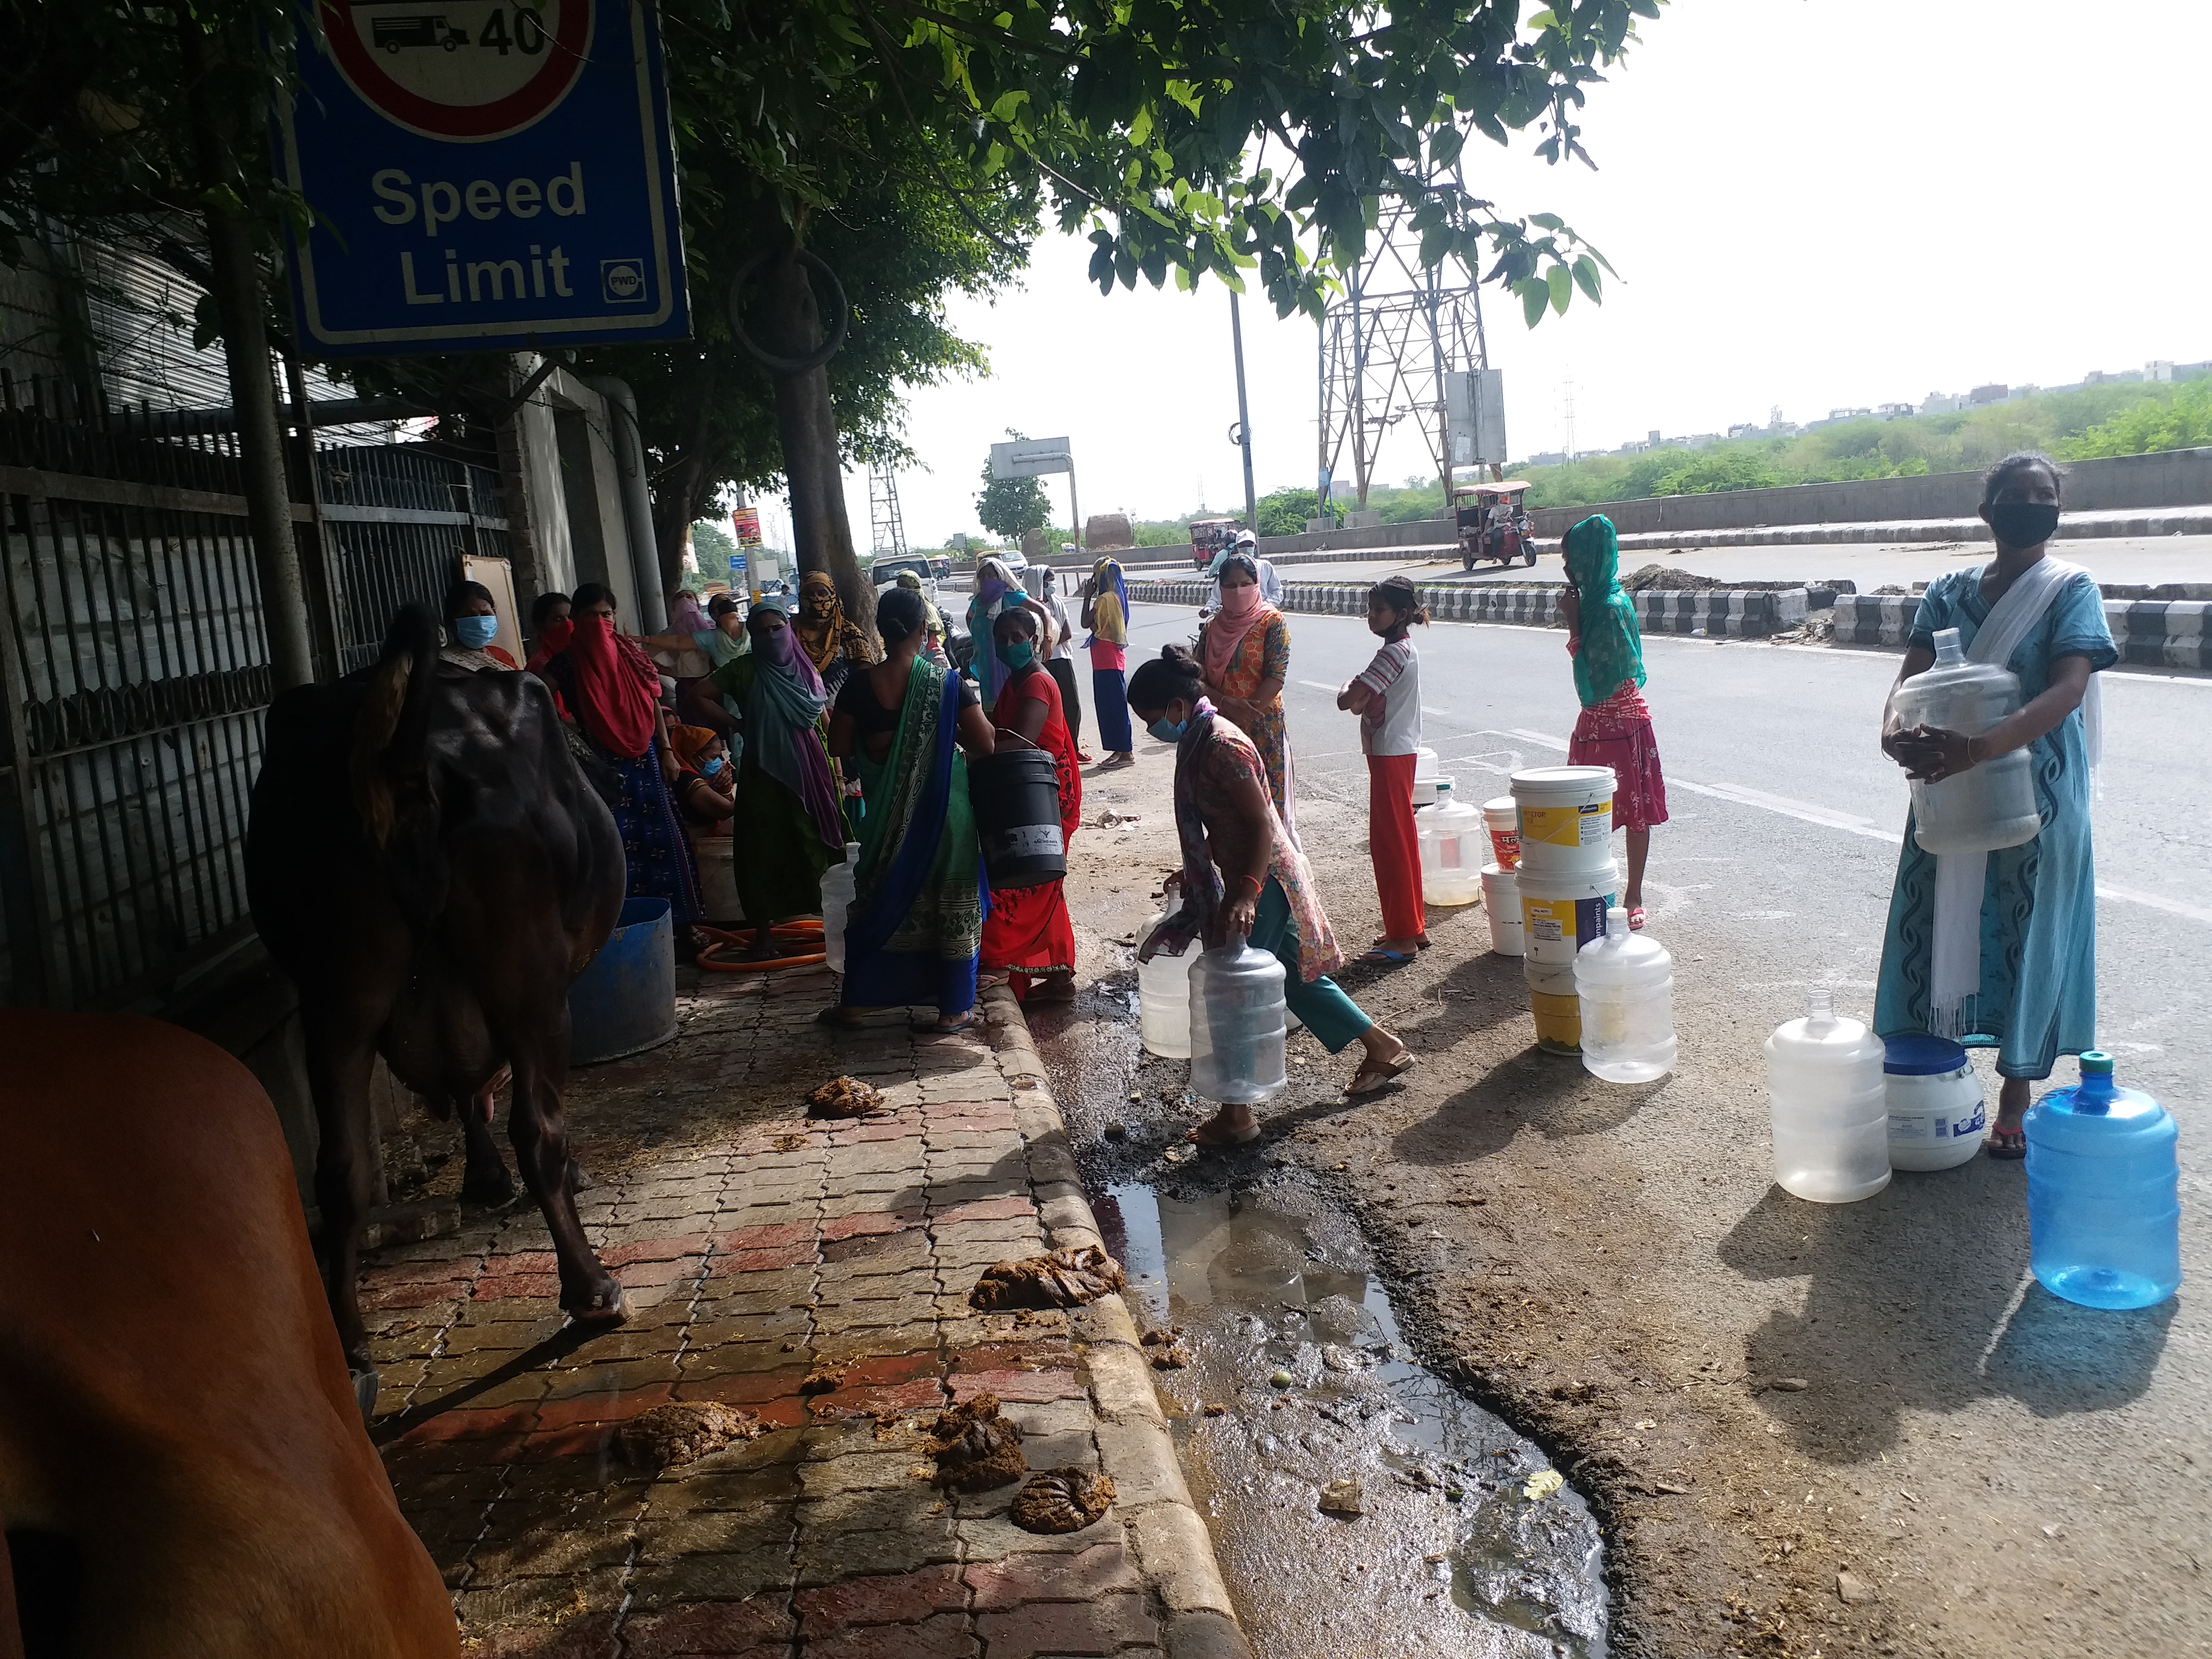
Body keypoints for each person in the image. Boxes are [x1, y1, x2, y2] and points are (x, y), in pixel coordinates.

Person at [1874, 452, 2114, 1159]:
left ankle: (2016, 1090)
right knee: (1935, 915)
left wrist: (1980, 749)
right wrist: (1892, 734)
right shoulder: (1947, 590)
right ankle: (1933, 1076)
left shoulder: (2071, 589)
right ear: (1989, 511)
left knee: (2028, 928)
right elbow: (1908, 681)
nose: (2032, 504)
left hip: (2036, 789)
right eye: (2018, 495)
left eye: (2045, 495)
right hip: (1948, 784)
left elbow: (2068, 688)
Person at [1131, 645, 1413, 1139]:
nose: (1149, 728)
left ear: (1177, 704)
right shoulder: (1196, 738)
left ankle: (1236, 1116)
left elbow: (1263, 824)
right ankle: (1383, 1047)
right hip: (1252, 877)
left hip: (1264, 879)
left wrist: (1244, 894)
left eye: (1151, 717)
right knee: (1297, 980)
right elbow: (1215, 820)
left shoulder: (1221, 745)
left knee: (1232, 992)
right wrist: (1192, 869)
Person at [825, 586, 998, 1032]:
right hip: (946, 815)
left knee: (881, 896)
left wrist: (883, 742)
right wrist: (937, 739)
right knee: (950, 902)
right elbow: (985, 743)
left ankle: (861, 1001)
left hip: (885, 819)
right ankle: (953, 1008)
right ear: (924, 631)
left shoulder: (859, 685)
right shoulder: (945, 683)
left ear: (880, 631)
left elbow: (839, 745)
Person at [532, 582, 703, 930]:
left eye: (606, 615)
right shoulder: (566, 662)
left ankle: (684, 926)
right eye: (591, 615)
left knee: (665, 840)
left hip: (649, 761)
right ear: (577, 620)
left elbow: (652, 701)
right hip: (599, 768)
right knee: (615, 847)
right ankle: (624, 928)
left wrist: (668, 751)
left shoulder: (629, 653)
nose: (599, 622)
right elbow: (536, 698)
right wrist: (567, 734)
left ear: (614, 616)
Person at [699, 602, 848, 955]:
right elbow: (699, 695)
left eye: (776, 627)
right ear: (752, 634)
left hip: (812, 770)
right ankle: (765, 937)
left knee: (822, 843)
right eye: (762, 630)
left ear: (788, 628)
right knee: (762, 850)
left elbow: (822, 717)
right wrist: (736, 725)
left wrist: (839, 768)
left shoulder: (805, 667)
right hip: (764, 773)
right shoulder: (744, 669)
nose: (771, 635)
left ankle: (838, 930)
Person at [1558, 515, 1668, 927]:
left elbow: (1592, 686)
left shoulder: (1603, 608)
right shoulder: (1605, 597)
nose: (1569, 569)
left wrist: (1572, 624)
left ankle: (1627, 893)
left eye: (1573, 560)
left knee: (1605, 814)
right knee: (1609, 814)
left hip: (1614, 724)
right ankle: (1615, 891)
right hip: (1614, 722)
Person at [979, 605, 1082, 1002]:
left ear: (1035, 641)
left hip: (1048, 793)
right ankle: (1058, 976)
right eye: (1001, 639)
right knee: (1044, 882)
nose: (1008, 645)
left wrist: (970, 747)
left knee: (1030, 881)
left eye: (1017, 638)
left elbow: (1019, 738)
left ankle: (1009, 960)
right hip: (1027, 789)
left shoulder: (1037, 682)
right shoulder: (1015, 681)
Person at [1335, 576, 1428, 963]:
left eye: (1379, 610)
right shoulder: (1403, 649)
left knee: (1389, 844)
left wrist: (1348, 685)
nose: (1371, 616)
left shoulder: (1391, 655)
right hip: (1398, 751)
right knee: (1401, 840)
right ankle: (1410, 927)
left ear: (1401, 615)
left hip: (1390, 753)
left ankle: (1403, 937)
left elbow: (1350, 701)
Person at [1198, 551, 1296, 842]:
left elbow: (1276, 676)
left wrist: (1247, 713)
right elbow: (1199, 678)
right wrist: (1227, 707)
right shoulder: (1212, 629)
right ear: (1220, 588)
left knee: (1268, 813)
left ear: (1257, 584)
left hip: (1264, 729)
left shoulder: (1272, 623)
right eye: (1230, 585)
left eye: (1245, 583)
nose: (1238, 590)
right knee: (1229, 808)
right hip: (1222, 729)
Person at [966, 556, 1053, 706]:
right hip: (987, 664)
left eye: (990, 575)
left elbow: (1043, 611)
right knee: (992, 707)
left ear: (1000, 576)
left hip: (1009, 660)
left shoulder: (1013, 597)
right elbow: (970, 618)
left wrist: (1047, 639)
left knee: (1014, 702)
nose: (986, 579)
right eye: (982, 576)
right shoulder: (978, 602)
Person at [1082, 555, 1135, 769]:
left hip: (1107, 660)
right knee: (1111, 707)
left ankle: (1126, 753)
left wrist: (1087, 597)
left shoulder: (1104, 600)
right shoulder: (1117, 597)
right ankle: (1119, 750)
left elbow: (1086, 622)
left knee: (1113, 707)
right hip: (1109, 659)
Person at [1037, 566, 1092, 763]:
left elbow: (1067, 633)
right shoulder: (1032, 605)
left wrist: (1047, 643)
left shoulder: (1057, 603)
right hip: (1042, 663)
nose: (1052, 584)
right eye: (1049, 580)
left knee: (1072, 706)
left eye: (1053, 580)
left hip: (1061, 658)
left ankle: (1073, 747)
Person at [793, 570, 873, 702]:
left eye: (822, 593)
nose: (816, 598)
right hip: (801, 707)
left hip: (845, 707)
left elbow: (865, 670)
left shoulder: (848, 632)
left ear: (833, 595)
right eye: (809, 594)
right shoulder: (790, 631)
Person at [443, 579, 519, 670]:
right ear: (451, 621)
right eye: (470, 616)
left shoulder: (502, 656)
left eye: (486, 614)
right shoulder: (445, 664)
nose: (480, 623)